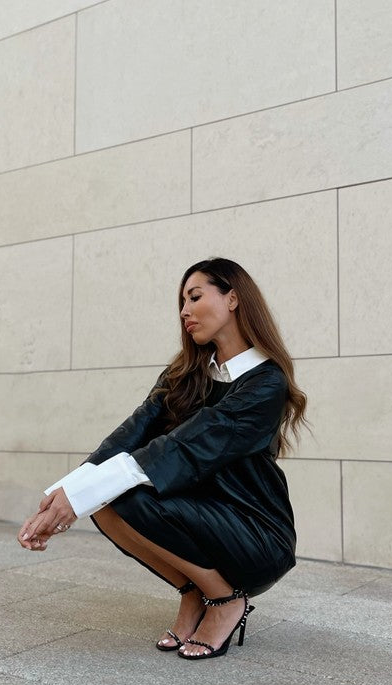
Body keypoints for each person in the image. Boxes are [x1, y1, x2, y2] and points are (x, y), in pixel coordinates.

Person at [17, 257, 308, 661]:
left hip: (254, 533)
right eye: (181, 302)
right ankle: (194, 592)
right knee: (104, 500)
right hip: (199, 516)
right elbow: (131, 433)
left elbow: (185, 445)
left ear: (233, 298)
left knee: (125, 493)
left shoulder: (265, 383)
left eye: (195, 297)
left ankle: (226, 600)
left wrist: (80, 495)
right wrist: (64, 494)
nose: (185, 311)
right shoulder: (185, 372)